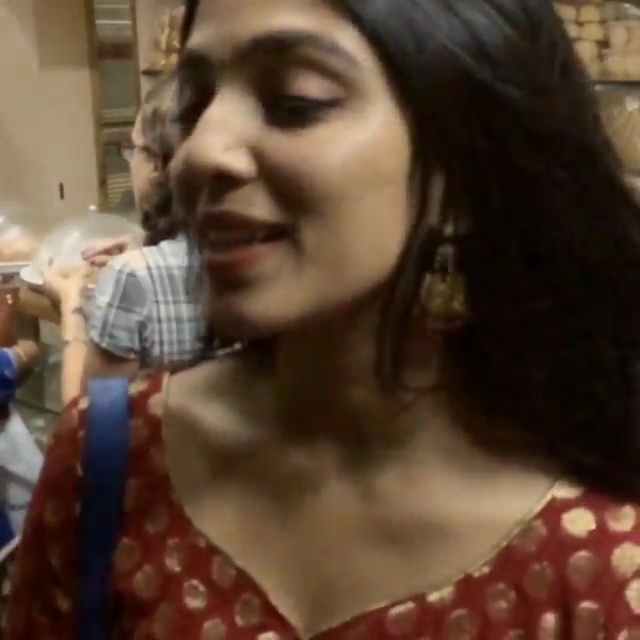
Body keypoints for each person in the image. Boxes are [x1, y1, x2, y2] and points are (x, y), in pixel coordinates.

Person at [7, 0, 640, 637]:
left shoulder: (602, 555)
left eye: (295, 102)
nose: (198, 154)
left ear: (463, 171)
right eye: (195, 105)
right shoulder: (113, 461)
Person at [43, 71, 208, 405]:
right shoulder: (257, 253)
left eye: (133, 149)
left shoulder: (132, 277)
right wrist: (146, 246)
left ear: (156, 164)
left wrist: (71, 307)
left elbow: (86, 422)